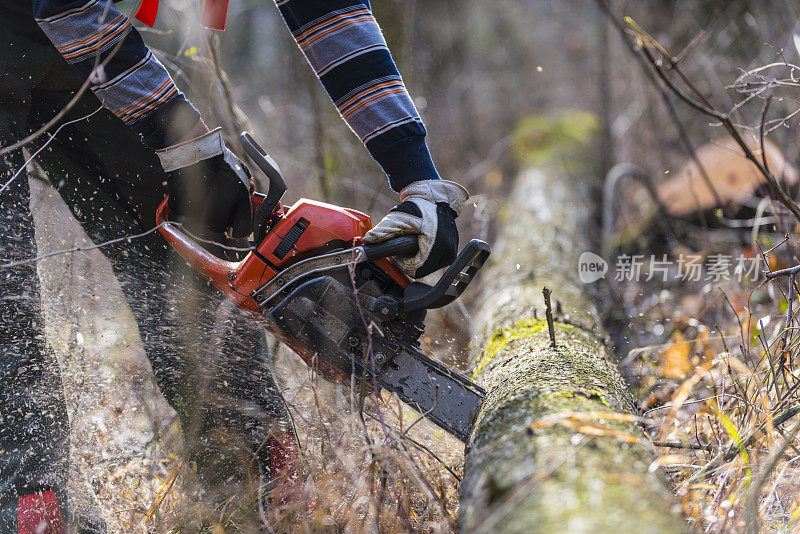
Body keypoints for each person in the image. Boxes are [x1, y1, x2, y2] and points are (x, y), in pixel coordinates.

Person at [0, 0, 469, 531]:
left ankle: (255, 492)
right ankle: (29, 508)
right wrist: (179, 139)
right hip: (67, 13)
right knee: (5, 308)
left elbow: (329, 12)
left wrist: (419, 179)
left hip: (84, 40)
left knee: (190, 234)